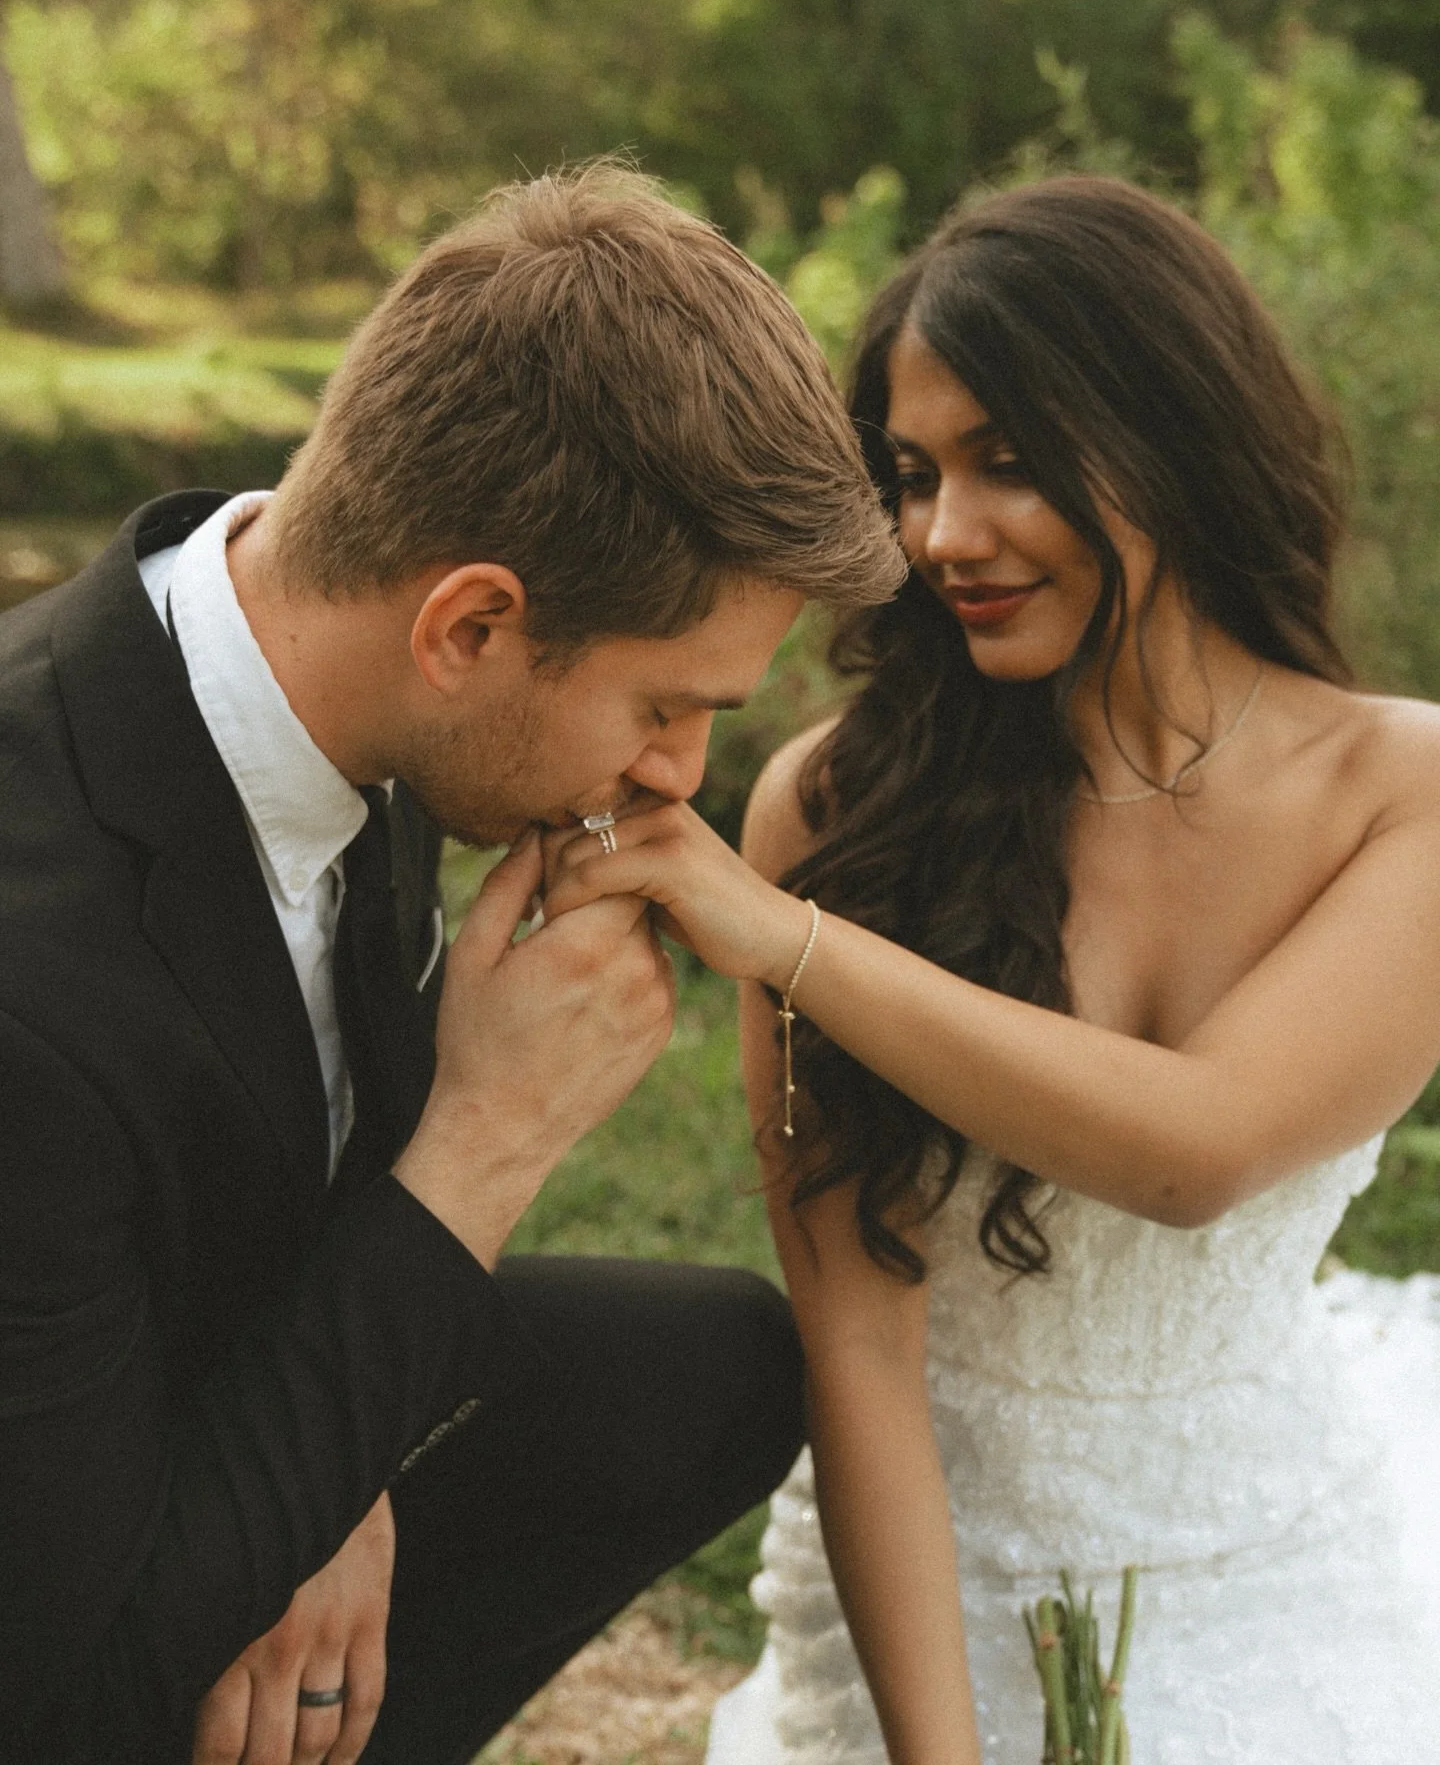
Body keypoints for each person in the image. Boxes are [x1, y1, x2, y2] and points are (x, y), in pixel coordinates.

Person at [0, 165, 908, 1765]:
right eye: (663, 707)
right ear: (472, 627)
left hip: (170, 1342)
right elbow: (54, 1700)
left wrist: (339, 1487)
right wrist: (485, 1148)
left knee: (702, 1376)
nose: (682, 776)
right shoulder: (32, 989)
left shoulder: (342, 672)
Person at [541, 176, 1440, 1764]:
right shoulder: (839, 805)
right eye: (911, 474)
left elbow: (1198, 1150)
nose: (944, 537)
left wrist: (786, 940)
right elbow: (863, 1347)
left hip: (1268, 1565)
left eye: (1009, 465)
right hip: (920, 1583)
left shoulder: (1406, 792)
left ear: (1176, 438)